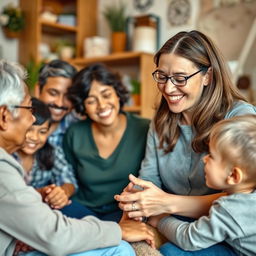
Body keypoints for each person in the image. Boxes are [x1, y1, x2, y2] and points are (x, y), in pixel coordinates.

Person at [114, 30, 256, 255]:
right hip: (175, 218)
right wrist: (138, 198)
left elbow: (247, 199)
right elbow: (150, 177)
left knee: (172, 251)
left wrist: (166, 204)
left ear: (207, 75)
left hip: (227, 232)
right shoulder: (161, 122)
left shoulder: (240, 118)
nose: (168, 89)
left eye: (180, 78)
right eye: (162, 76)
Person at [0, 59, 155, 256]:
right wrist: (117, 230)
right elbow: (55, 234)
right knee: (120, 249)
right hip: (70, 218)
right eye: (29, 109)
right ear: (5, 116)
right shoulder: (4, 168)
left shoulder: (143, 128)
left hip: (110, 211)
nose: (33, 119)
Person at [148, 114, 256, 256]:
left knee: (170, 252)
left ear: (233, 176)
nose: (204, 159)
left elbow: (189, 239)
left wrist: (161, 220)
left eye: (211, 155)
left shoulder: (230, 210)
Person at [62, 63, 150, 222]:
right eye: (91, 101)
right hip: (82, 210)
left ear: (117, 94)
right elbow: (68, 179)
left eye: (106, 94)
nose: (102, 105)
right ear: (83, 106)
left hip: (124, 210)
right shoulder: (74, 134)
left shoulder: (145, 129)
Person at [14, 97, 78, 210]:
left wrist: (62, 193)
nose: (35, 137)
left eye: (42, 132)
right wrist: (39, 193)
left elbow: (69, 180)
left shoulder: (51, 151)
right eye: (29, 130)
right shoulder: (6, 153)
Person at [35, 59, 78, 147]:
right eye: (53, 93)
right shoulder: (18, 123)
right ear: (38, 90)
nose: (60, 103)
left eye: (68, 96)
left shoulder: (78, 131)